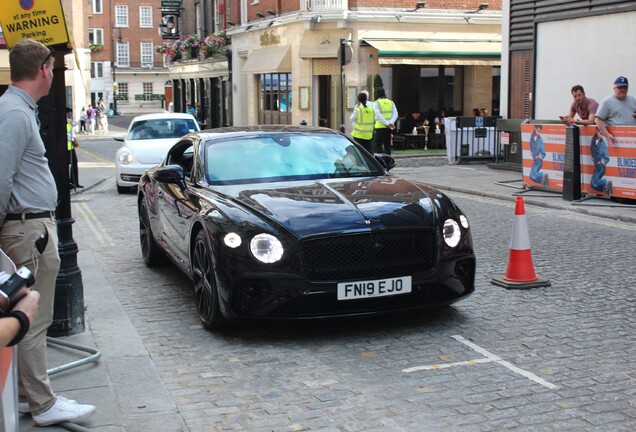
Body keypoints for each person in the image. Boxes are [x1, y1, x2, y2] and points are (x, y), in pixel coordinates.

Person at [0, 39, 96, 427]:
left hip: (31, 226)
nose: (54, 74)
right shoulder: (14, 113)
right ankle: (42, 404)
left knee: (36, 316)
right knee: (34, 318)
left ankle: (28, 396)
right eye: (53, 68)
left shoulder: (17, 110)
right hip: (27, 228)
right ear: (43, 69)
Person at [594, 76, 636, 145]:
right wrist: (607, 134)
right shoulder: (607, 102)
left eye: (624, 87)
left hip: (632, 140)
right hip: (617, 140)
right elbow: (598, 120)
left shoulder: (632, 99)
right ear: (614, 88)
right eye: (620, 87)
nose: (622, 90)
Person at [372, 87, 397, 155]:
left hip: (380, 126)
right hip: (389, 127)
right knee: (387, 144)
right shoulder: (391, 102)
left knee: (378, 144)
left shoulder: (376, 103)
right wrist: (390, 123)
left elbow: (378, 115)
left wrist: (386, 123)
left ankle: (382, 159)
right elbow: (395, 114)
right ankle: (388, 159)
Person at [590, 129, 613, 195]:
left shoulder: (603, 143)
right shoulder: (593, 140)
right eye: (600, 132)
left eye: (602, 133)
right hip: (596, 165)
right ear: (597, 131)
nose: (602, 134)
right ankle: (608, 190)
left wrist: (603, 161)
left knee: (595, 183)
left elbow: (606, 157)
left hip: (600, 166)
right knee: (593, 184)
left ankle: (607, 183)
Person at [67, 109, 83, 189]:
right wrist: (73, 139)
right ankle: (71, 182)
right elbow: (68, 135)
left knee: (73, 164)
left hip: (70, 147)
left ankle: (74, 182)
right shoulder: (64, 124)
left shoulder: (67, 123)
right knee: (69, 165)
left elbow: (75, 123)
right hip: (67, 148)